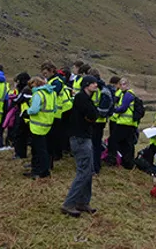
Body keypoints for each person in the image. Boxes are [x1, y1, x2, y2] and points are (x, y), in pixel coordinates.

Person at [61, 75, 99, 217]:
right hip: (80, 138)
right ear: (86, 85)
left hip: (84, 137)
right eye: (93, 83)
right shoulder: (81, 98)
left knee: (88, 170)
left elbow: (93, 115)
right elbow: (93, 114)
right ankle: (69, 203)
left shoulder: (86, 99)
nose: (96, 85)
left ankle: (83, 202)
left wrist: (92, 116)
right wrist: (92, 117)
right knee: (83, 171)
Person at [25, 76, 55, 179]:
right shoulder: (51, 93)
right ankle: (43, 169)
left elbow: (34, 110)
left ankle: (39, 171)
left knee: (37, 150)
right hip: (48, 124)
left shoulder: (38, 94)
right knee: (44, 148)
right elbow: (54, 108)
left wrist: (27, 111)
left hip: (37, 125)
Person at [107, 78, 139, 169]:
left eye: (124, 84)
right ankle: (127, 163)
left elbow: (123, 108)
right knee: (126, 144)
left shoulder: (128, 95)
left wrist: (113, 110)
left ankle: (112, 160)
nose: (122, 86)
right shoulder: (124, 94)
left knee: (113, 140)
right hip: (127, 123)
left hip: (125, 123)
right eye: (120, 84)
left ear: (128, 85)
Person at [41, 62, 67, 162]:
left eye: (46, 73)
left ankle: (56, 155)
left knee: (54, 136)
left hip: (56, 113)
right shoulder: (50, 80)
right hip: (50, 112)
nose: (44, 75)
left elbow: (52, 94)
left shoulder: (57, 82)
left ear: (52, 71)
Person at [87, 68, 108, 175]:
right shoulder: (103, 88)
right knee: (97, 144)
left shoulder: (95, 90)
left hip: (94, 120)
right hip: (101, 121)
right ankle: (96, 166)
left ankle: (93, 167)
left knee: (93, 145)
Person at [10, 73, 33, 159]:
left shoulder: (25, 90)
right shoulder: (31, 89)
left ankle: (20, 154)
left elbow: (17, 100)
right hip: (30, 116)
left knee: (20, 135)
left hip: (23, 115)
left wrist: (12, 99)